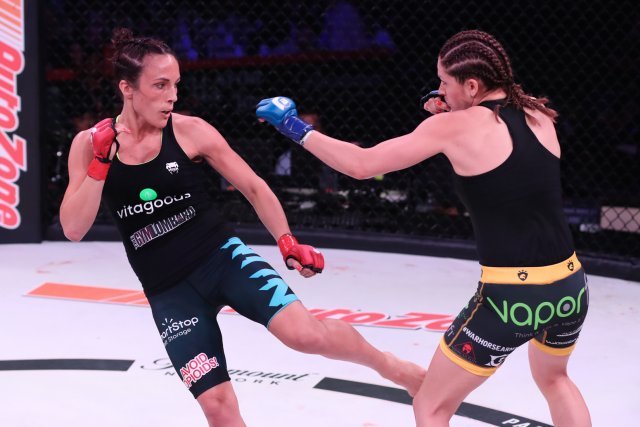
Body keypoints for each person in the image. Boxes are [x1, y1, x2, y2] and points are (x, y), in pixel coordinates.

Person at [59, 28, 425, 427]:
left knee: (304, 335)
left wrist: (286, 240)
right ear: (127, 88)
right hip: (169, 291)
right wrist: (100, 164)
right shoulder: (88, 144)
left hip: (222, 259)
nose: (172, 96)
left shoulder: (190, 130)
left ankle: (391, 366)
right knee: (217, 407)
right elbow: (74, 228)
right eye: (160, 85)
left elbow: (254, 186)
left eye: (176, 85)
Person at [257, 29, 591, 427]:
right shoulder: (539, 115)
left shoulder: (454, 128)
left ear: (472, 85)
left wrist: (294, 127)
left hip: (512, 296)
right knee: (555, 379)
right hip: (570, 286)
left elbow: (362, 165)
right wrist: (454, 111)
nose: (439, 91)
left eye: (444, 82)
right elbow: (504, 162)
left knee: (430, 406)